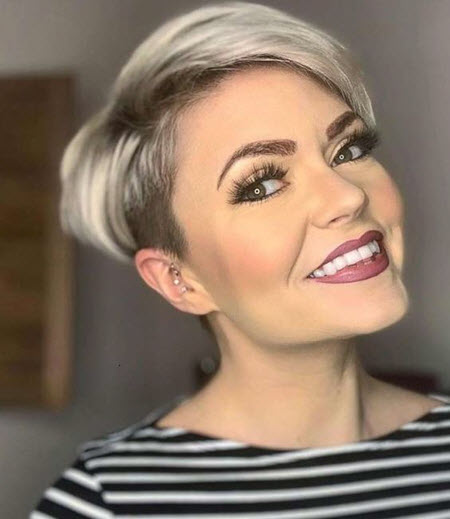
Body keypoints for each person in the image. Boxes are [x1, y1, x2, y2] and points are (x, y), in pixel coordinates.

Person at [30, 2, 450, 517]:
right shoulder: (107, 500)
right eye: (263, 184)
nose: (347, 196)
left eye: (348, 150)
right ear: (179, 280)